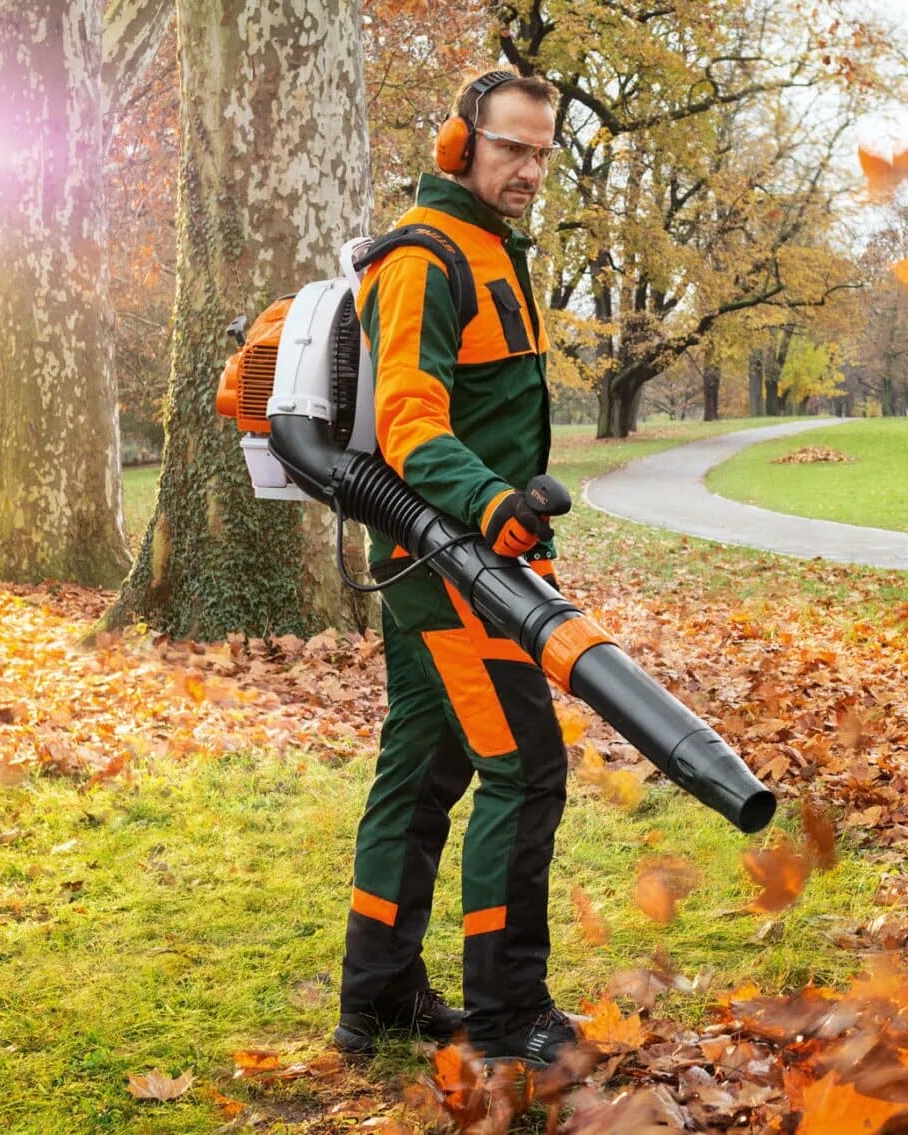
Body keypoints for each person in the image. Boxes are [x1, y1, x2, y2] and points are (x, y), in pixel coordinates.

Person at [333, 68, 579, 1068]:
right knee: (526, 767)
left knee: (423, 768)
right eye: (511, 147)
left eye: (541, 153)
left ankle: (379, 993)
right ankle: (509, 1015)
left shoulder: (492, 251)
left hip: (470, 555)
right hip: (447, 562)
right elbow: (407, 422)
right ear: (459, 145)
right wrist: (489, 506)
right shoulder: (426, 258)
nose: (528, 170)